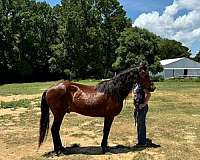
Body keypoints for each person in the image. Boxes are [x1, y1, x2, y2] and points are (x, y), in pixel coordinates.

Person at [133, 82, 151, 146]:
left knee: (141, 124)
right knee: (139, 124)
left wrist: (144, 104)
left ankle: (142, 142)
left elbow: (148, 94)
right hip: (137, 107)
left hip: (142, 108)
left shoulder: (142, 85)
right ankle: (140, 140)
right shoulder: (136, 84)